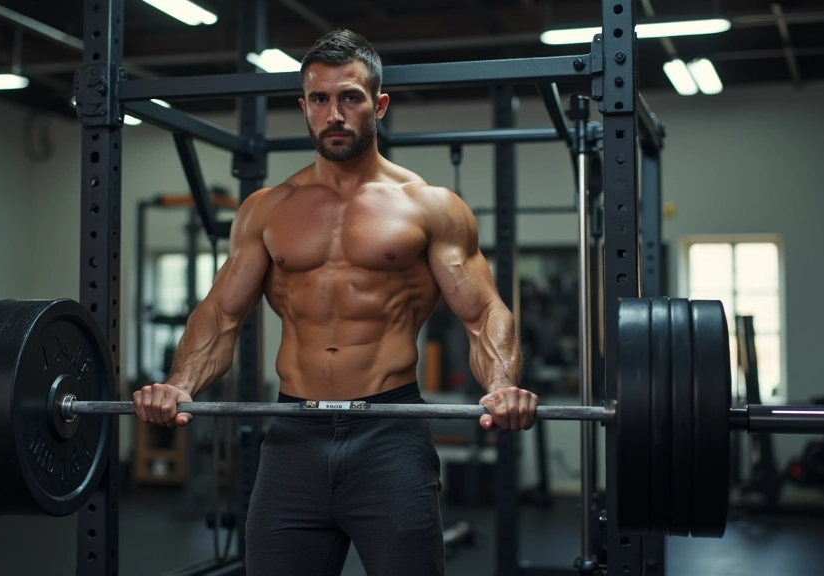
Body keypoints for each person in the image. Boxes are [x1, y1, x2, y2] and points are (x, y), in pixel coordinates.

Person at [133, 29, 539, 576]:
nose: (335, 114)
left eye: (350, 97)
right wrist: (179, 383)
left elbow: (484, 312)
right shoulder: (266, 210)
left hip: (389, 434)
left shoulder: (430, 207)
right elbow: (222, 315)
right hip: (293, 436)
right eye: (319, 99)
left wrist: (503, 386)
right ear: (304, 107)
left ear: (379, 105)